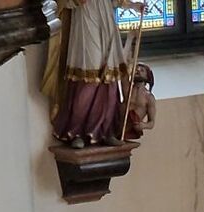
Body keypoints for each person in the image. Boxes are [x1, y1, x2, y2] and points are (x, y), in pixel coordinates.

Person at [44, 0, 144, 148]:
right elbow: (61, 3)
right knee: (88, 78)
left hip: (107, 18)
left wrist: (132, 5)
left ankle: (107, 131)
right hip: (86, 18)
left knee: (110, 76)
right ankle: (76, 132)